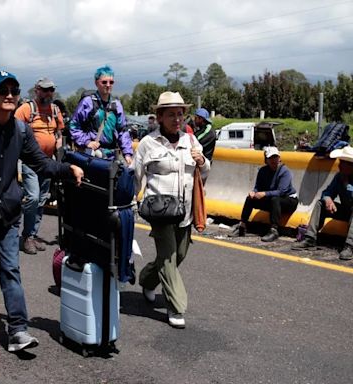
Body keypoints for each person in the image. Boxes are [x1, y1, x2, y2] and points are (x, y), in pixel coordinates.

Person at [0, 70, 84, 352]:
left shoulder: (22, 131)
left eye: (14, 90)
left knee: (11, 269)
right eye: (3, 91)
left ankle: (18, 331)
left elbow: (42, 163)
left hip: (9, 213)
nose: (10, 95)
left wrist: (66, 168)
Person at [133, 91, 210, 328]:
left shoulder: (190, 141)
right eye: (171, 114)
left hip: (186, 211)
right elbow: (137, 177)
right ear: (159, 116)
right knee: (168, 256)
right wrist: (131, 203)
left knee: (179, 255)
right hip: (160, 211)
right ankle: (176, 307)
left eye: (180, 114)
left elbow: (204, 172)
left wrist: (202, 162)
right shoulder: (148, 143)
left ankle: (147, 279)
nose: (177, 119)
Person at [14, 77, 65, 254]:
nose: (48, 93)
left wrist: (58, 148)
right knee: (34, 197)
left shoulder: (55, 109)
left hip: (48, 162)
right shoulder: (27, 108)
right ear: (36, 90)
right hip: (30, 162)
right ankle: (27, 236)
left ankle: (32, 235)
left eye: (51, 89)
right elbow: (13, 130)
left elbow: (59, 132)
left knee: (42, 199)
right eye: (44, 90)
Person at [292, 146, 353, 260]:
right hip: (346, 211)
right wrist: (328, 199)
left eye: (342, 163)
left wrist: (347, 185)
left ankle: (350, 246)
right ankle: (310, 238)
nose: (339, 165)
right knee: (320, 204)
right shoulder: (339, 176)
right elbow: (327, 192)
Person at [229, 146, 298, 242]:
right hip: (272, 200)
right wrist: (254, 192)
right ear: (266, 160)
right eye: (271, 158)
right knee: (250, 199)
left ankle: (274, 230)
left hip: (288, 200)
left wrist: (264, 194)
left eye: (275, 157)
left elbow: (281, 191)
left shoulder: (285, 171)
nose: (274, 160)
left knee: (275, 199)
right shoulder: (263, 171)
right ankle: (242, 226)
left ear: (279, 158)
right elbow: (258, 187)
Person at [69, 65, 133, 164]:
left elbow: (122, 130)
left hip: (112, 156)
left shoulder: (116, 104)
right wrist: (87, 142)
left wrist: (127, 153)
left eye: (111, 82)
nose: (108, 85)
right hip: (92, 155)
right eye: (104, 82)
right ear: (96, 83)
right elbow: (74, 126)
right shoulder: (88, 102)